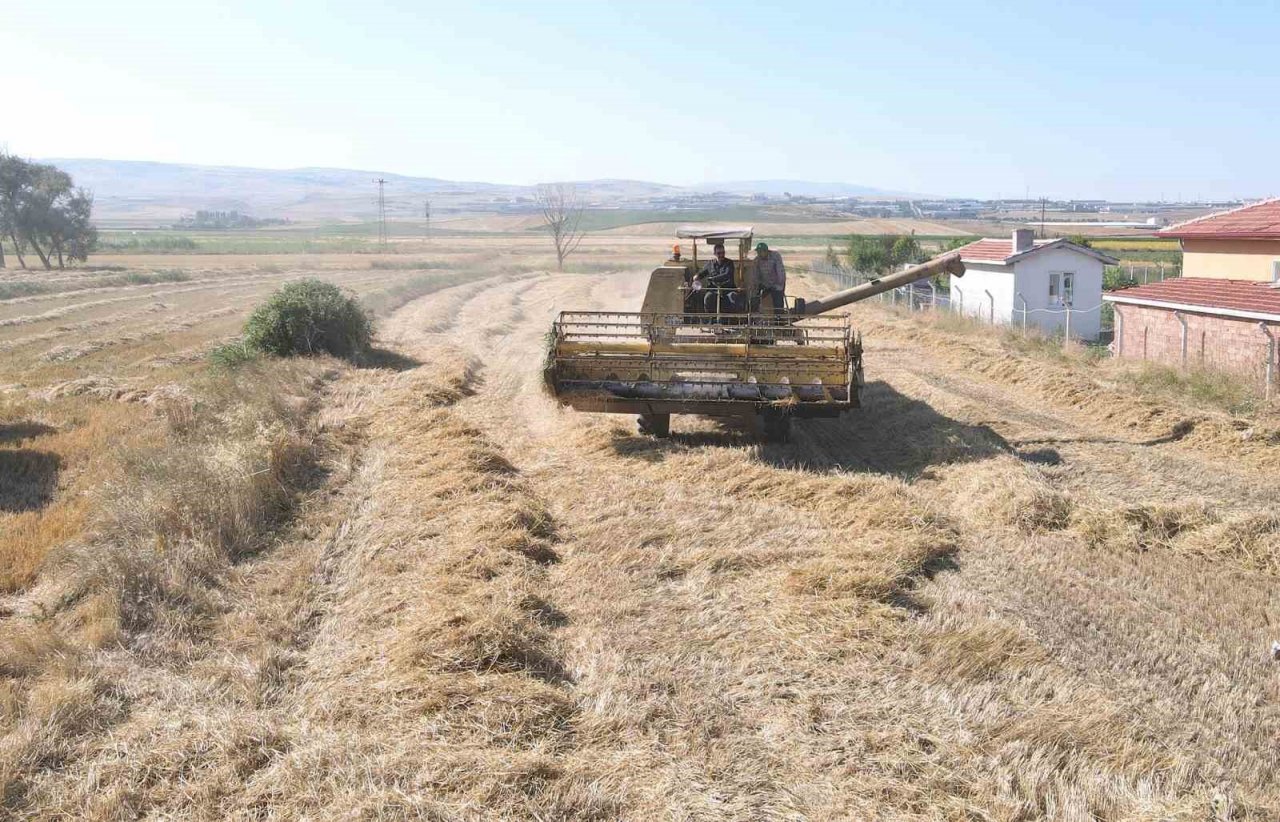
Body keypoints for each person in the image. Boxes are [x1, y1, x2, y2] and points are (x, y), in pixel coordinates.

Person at [692, 243, 740, 313]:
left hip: (728, 289)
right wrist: (697, 277)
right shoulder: (710, 264)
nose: (721, 255)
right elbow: (702, 273)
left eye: (723, 253)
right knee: (708, 298)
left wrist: (712, 278)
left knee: (733, 297)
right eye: (719, 253)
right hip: (713, 289)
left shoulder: (729, 263)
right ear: (714, 253)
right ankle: (711, 320)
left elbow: (727, 274)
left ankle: (731, 321)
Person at [754, 242, 787, 314]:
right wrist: (758, 284)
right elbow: (756, 274)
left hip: (777, 284)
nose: (758, 254)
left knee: (778, 303)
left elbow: (780, 272)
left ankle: (778, 321)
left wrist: (778, 285)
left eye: (760, 252)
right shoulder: (757, 260)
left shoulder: (775, 256)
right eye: (758, 252)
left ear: (766, 251)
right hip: (765, 284)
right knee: (756, 300)